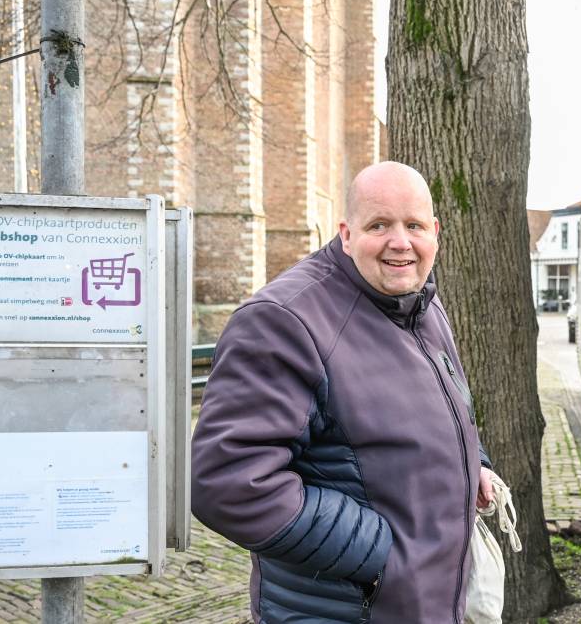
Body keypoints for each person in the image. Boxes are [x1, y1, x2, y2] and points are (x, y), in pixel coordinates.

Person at [192, 161, 496, 623]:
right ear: (347, 234)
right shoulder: (284, 321)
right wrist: (382, 554)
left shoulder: (422, 305)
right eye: (379, 225)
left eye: (414, 226)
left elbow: (445, 406)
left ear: (434, 233)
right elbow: (228, 482)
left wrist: (475, 463)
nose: (401, 242)